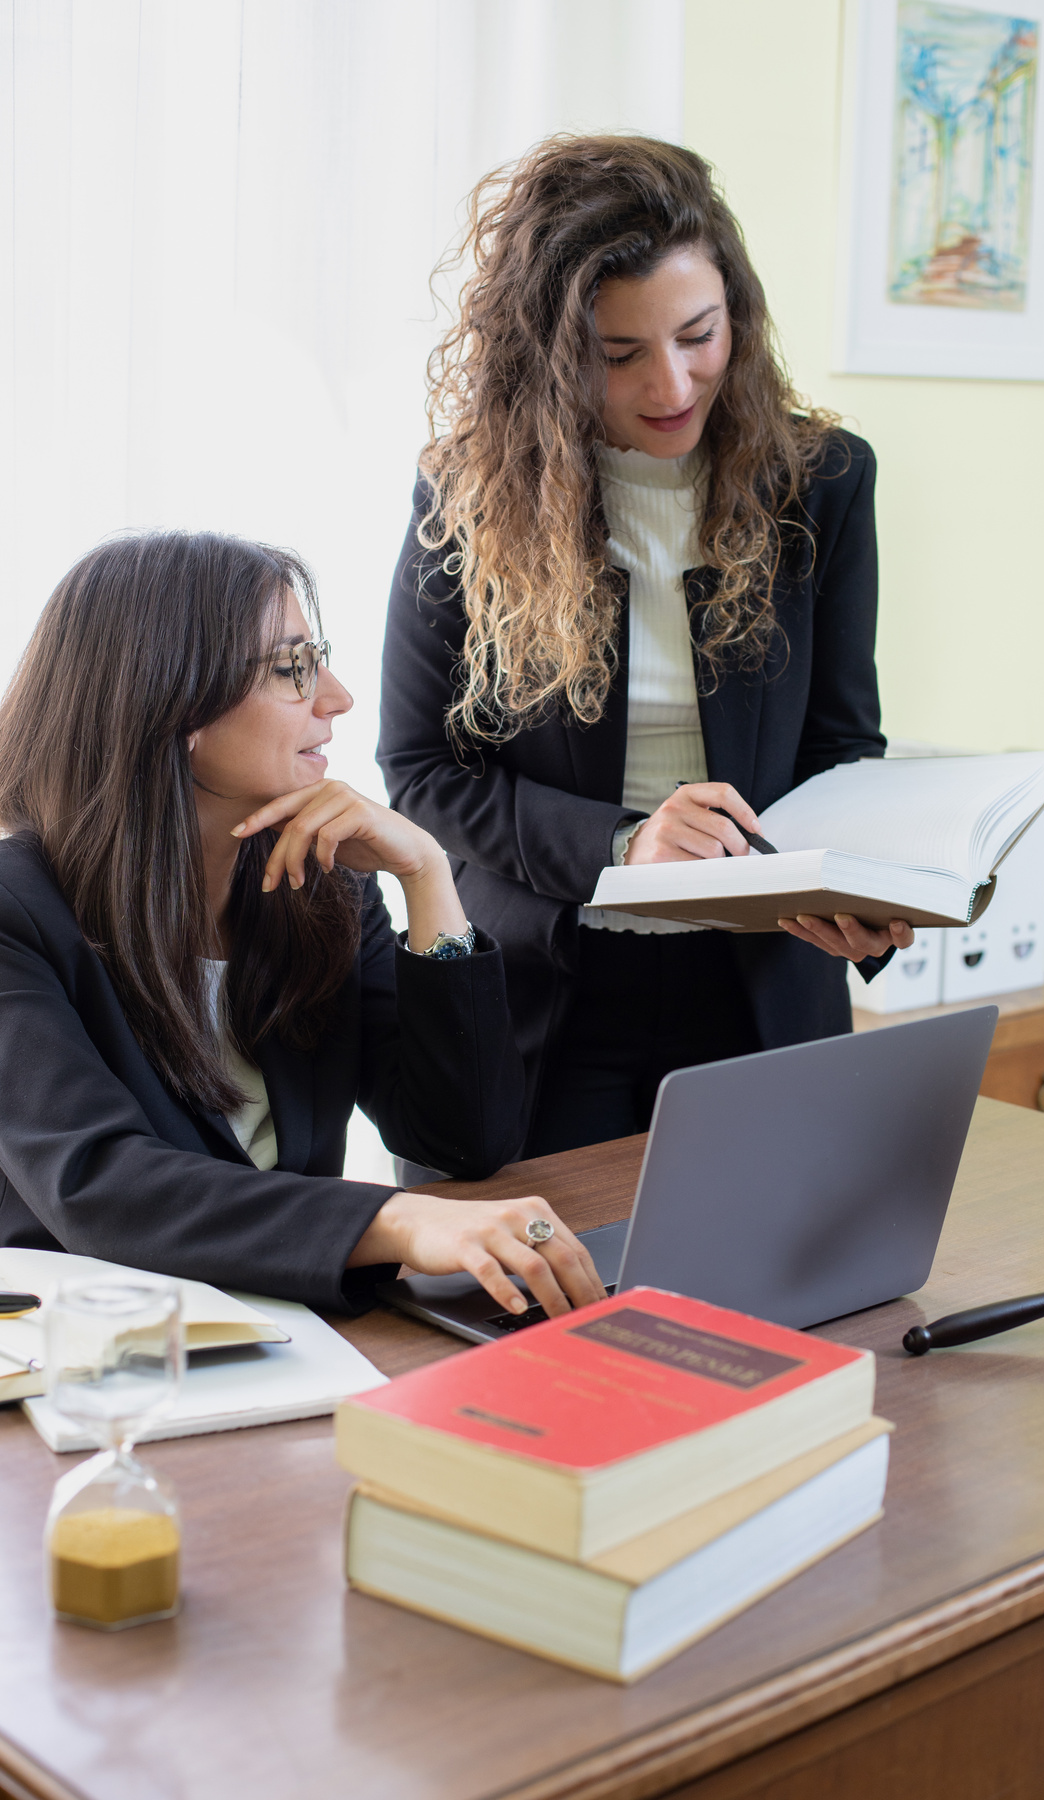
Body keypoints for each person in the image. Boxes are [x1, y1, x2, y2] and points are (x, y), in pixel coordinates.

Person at [379, 135, 914, 1157]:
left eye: (698, 336)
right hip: (549, 995)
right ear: (547, 356)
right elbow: (419, 768)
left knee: (766, 1296)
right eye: (618, 355)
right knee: (539, 1305)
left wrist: (855, 888)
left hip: (757, 994)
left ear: (737, 319)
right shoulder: (469, 495)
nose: (671, 384)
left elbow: (842, 748)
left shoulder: (826, 481)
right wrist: (626, 846)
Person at [0, 532, 604, 1317]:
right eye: (292, 669)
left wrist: (425, 876)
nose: (337, 697)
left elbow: (466, 1141)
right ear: (177, 704)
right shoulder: (16, 912)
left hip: (294, 1333)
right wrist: (395, 1218)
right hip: (88, 1360)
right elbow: (100, 1184)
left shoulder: (324, 893)